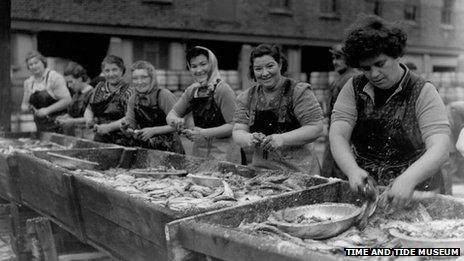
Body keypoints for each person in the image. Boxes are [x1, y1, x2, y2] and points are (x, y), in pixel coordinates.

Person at [330, 16, 450, 208]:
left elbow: (440, 147)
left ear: (396, 55)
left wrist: (408, 179)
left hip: (417, 189)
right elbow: (338, 135)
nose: (374, 74)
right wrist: (352, 170)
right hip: (369, 188)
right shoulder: (352, 88)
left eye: (380, 64)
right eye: (366, 68)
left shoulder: (422, 91)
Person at [232, 44, 323, 173]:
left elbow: (316, 128)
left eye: (270, 66)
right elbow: (238, 131)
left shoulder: (298, 91)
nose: (264, 73)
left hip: (300, 171)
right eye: (258, 68)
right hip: (263, 171)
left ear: (280, 65)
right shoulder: (247, 97)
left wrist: (281, 139)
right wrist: (250, 138)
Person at [166, 46, 241, 163]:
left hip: (224, 154)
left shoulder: (223, 90)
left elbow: (233, 125)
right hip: (200, 154)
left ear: (212, 64)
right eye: (194, 66)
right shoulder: (192, 90)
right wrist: (175, 121)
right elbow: (172, 114)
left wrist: (203, 133)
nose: (198, 70)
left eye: (203, 64)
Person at [121, 61, 184, 153]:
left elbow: (179, 125)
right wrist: (126, 129)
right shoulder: (133, 99)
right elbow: (131, 126)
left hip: (170, 150)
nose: (139, 82)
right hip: (146, 150)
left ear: (152, 78)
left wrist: (154, 131)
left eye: (144, 77)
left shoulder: (163, 95)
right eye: (135, 78)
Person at [321, 44, 359, 178]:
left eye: (338, 58)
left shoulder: (350, 79)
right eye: (333, 58)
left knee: (338, 173)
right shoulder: (342, 78)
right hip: (334, 131)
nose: (334, 62)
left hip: (345, 134)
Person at [84, 55, 132, 145]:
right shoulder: (99, 87)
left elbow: (129, 118)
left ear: (121, 70)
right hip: (100, 138)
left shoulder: (129, 91)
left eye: (114, 70)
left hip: (121, 140)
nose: (111, 74)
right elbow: (89, 109)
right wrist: (89, 120)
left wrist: (108, 128)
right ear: (103, 72)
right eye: (107, 70)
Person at [21, 51, 72, 132]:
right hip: (41, 127)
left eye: (36, 63)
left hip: (59, 125)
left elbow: (67, 100)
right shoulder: (28, 82)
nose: (34, 66)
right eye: (30, 65)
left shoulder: (54, 77)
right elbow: (24, 105)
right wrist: (28, 108)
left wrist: (47, 110)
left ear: (43, 62)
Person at [55, 61, 94, 137]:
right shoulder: (76, 94)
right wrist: (64, 117)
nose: (69, 86)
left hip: (88, 134)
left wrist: (71, 121)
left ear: (79, 79)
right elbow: (73, 113)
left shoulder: (92, 94)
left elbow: (92, 119)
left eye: (71, 82)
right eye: (67, 83)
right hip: (76, 134)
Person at [447, 102, 464, 186]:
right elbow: (459, 127)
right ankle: (453, 175)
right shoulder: (456, 109)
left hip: (451, 115)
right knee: (452, 149)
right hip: (450, 115)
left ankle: (455, 175)